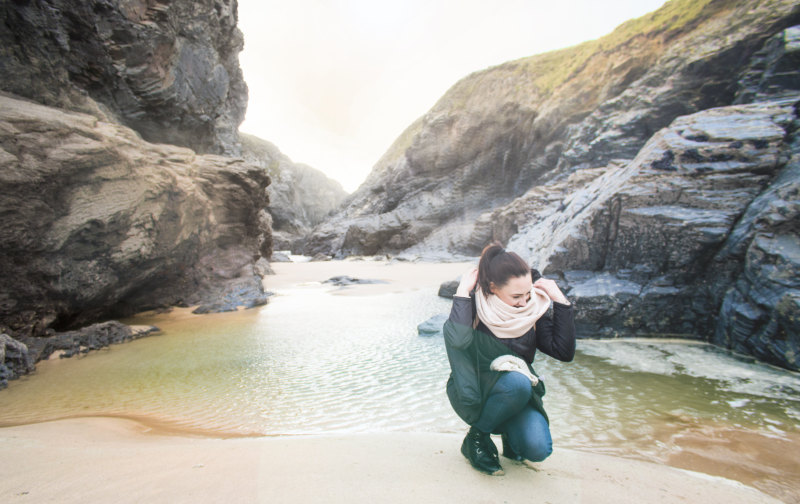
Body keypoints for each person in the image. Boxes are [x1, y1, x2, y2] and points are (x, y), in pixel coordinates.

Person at [443, 243, 575, 475]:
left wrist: (560, 302)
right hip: (477, 389)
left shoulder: (533, 308)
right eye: (516, 296)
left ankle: (508, 433)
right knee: (516, 383)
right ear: (493, 288)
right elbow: (458, 341)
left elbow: (563, 352)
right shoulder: (476, 303)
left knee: (538, 450)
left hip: (519, 391)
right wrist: (463, 291)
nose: (524, 302)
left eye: (528, 293)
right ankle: (476, 438)